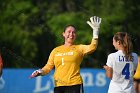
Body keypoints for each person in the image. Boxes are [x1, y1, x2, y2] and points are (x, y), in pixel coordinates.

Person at [30, 16, 102, 93]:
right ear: (63, 34)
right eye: (69, 31)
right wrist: (40, 72)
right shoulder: (55, 50)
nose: (71, 34)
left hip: (75, 85)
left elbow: (92, 47)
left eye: (74, 32)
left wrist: (95, 32)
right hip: (59, 86)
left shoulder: (79, 48)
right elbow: (48, 67)